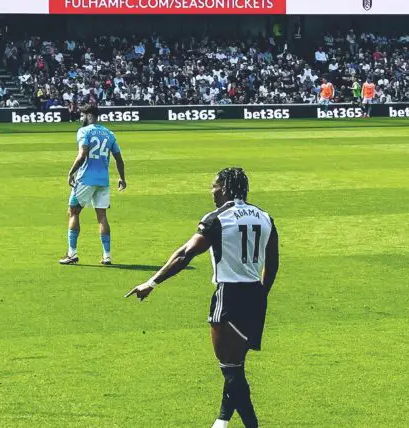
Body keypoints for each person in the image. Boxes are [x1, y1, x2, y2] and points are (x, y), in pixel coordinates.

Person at [126, 167, 280, 428]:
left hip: (229, 296)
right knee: (236, 365)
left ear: (226, 188)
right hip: (255, 293)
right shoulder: (264, 217)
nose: (212, 191)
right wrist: (260, 296)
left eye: (215, 186)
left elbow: (185, 254)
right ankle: (221, 422)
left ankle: (252, 425)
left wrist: (152, 282)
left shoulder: (217, 219)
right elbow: (273, 262)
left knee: (230, 370)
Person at [60, 104, 126, 266]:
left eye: (82, 115)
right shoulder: (109, 134)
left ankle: (72, 254)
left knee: (73, 212)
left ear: (89, 115)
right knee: (102, 216)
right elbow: (119, 158)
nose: (81, 118)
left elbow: (82, 154)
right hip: (103, 181)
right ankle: (107, 256)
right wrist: (122, 178)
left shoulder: (84, 131)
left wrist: (71, 172)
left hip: (85, 179)